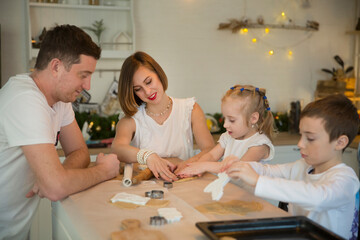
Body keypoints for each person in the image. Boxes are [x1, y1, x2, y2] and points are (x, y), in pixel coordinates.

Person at [0, 25, 120, 240]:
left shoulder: (59, 99)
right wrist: (105, 171)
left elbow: (79, 151)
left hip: (15, 228)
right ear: (56, 67)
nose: (88, 85)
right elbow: (55, 189)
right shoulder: (25, 99)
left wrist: (57, 178)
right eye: (83, 75)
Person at [226, 94, 360, 239]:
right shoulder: (302, 166)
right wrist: (243, 166)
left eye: (310, 138)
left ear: (340, 143)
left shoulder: (346, 179)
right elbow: (268, 171)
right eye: (301, 135)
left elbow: (317, 197)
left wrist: (257, 180)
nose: (300, 144)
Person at [111, 51, 214, 182]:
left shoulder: (190, 109)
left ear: (158, 74)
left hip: (184, 184)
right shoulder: (131, 119)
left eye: (148, 82)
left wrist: (188, 163)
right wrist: (148, 156)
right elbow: (117, 149)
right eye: (138, 89)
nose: (147, 92)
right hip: (144, 190)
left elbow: (210, 149)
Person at [176, 85, 275, 177]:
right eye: (224, 118)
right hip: (229, 191)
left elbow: (235, 168)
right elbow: (211, 155)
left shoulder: (260, 145)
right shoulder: (228, 137)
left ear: (253, 118)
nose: (225, 125)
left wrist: (203, 166)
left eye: (232, 120)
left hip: (249, 195)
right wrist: (194, 168)